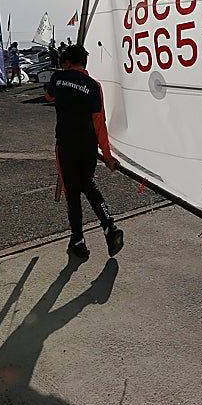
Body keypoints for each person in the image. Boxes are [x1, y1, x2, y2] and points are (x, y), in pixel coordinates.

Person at [44, 44, 123, 259]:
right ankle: (110, 227)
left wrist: (60, 83)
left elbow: (48, 97)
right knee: (88, 185)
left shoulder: (57, 79)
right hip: (88, 147)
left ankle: (78, 240)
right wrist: (106, 155)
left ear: (67, 63)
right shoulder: (94, 86)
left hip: (66, 145)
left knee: (72, 194)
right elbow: (99, 122)